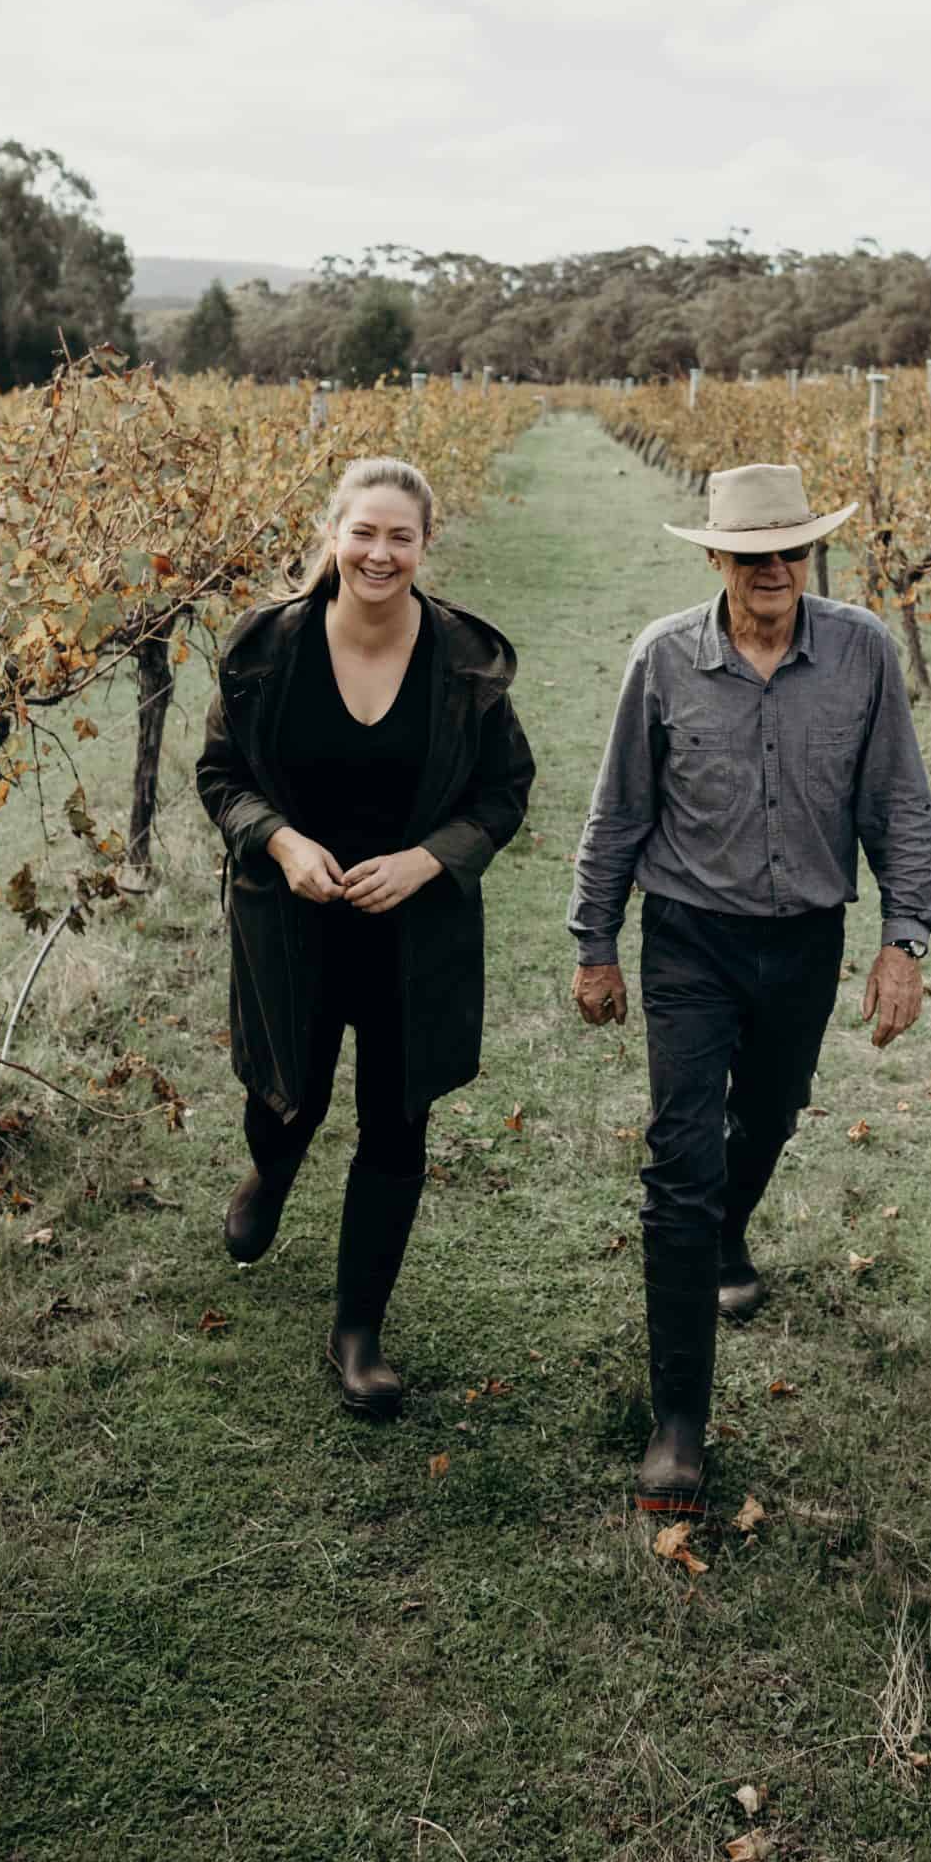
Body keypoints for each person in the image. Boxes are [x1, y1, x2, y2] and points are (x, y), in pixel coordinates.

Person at [568, 461, 931, 1513]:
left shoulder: (862, 651)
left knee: (771, 1112)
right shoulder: (663, 658)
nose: (773, 567)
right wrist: (595, 943)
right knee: (677, 1165)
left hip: (804, 941)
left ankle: (729, 1225)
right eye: (750, 553)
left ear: (810, 553)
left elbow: (898, 802)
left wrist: (903, 941)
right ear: (715, 558)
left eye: (790, 548)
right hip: (689, 941)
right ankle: (678, 1424)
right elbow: (617, 810)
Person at [197, 455, 535, 1419]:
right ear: (333, 537)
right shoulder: (267, 650)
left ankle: (358, 1333)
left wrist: (428, 860)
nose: (379, 553)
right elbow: (220, 776)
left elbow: (504, 790)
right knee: (286, 1098)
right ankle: (271, 1171)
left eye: (400, 536)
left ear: (426, 545)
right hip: (292, 923)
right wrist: (281, 841)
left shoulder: (464, 663)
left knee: (396, 1120)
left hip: (412, 936)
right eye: (363, 533)